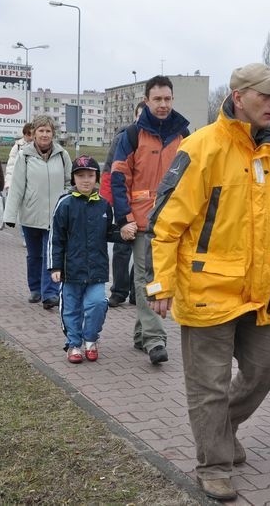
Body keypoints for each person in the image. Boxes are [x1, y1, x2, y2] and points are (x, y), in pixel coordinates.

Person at [145, 63, 270, 501]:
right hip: (207, 289)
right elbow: (166, 222)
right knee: (208, 384)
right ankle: (213, 463)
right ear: (238, 98)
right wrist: (161, 284)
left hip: (260, 292)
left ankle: (223, 429)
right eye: (266, 96)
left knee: (265, 371)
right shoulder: (202, 148)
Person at [111, 76, 190, 364]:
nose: (163, 104)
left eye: (167, 99)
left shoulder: (184, 135)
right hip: (143, 223)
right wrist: (124, 218)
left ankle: (140, 336)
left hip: (173, 222)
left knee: (161, 279)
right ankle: (156, 339)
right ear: (147, 100)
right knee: (147, 280)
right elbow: (119, 180)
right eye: (157, 99)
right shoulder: (131, 136)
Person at [48, 155, 121, 363]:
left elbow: (109, 232)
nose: (86, 180)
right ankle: (73, 344)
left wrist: (124, 233)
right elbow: (56, 237)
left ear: (96, 177)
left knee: (97, 303)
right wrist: (55, 266)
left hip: (96, 270)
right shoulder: (65, 203)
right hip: (70, 271)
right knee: (71, 308)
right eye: (81, 176)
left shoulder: (104, 205)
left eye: (90, 175)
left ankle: (90, 339)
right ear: (73, 179)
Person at [4, 115, 71, 309]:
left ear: (53, 134)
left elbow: (69, 182)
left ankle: (50, 293)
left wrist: (66, 203)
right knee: (34, 256)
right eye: (41, 130)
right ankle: (35, 288)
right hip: (30, 215)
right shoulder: (24, 156)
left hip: (55, 217)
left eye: (48, 131)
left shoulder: (62, 154)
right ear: (33, 134)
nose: (44, 134)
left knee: (51, 255)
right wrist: (9, 216)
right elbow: (17, 187)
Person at [102, 102, 144, 308]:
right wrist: (108, 201)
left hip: (147, 207)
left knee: (144, 252)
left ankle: (137, 291)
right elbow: (109, 172)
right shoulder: (122, 139)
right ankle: (119, 291)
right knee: (121, 249)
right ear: (135, 117)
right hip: (124, 204)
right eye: (141, 115)